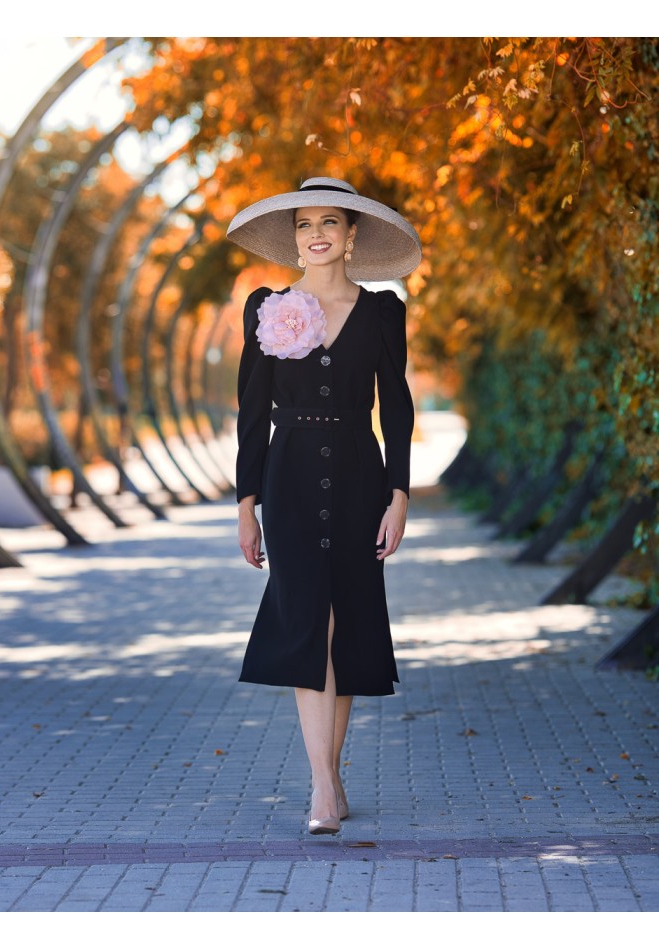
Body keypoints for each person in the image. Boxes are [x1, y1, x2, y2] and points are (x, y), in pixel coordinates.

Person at [227, 177, 420, 835]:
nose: (317, 234)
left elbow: (396, 407)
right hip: (289, 480)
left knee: (346, 627)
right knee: (310, 622)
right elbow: (251, 415)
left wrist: (399, 494)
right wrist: (245, 504)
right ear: (296, 236)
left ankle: (328, 779)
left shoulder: (384, 312)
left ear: (351, 234)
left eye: (330, 223)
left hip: (362, 478)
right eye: (306, 224)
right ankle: (322, 784)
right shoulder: (267, 305)